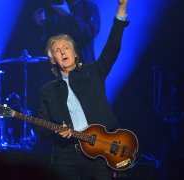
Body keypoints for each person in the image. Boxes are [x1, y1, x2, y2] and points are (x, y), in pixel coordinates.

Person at [37, 0, 129, 179]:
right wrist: (56, 130)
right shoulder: (47, 91)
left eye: (66, 48)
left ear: (75, 53)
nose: (63, 52)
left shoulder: (92, 73)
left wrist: (122, 9)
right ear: (52, 59)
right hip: (66, 155)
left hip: (98, 153)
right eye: (57, 50)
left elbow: (112, 48)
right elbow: (40, 128)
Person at [33, 0, 100, 63]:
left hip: (84, 64)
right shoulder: (57, 10)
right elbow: (48, 41)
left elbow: (89, 33)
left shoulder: (89, 7)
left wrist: (68, 15)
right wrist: (42, 24)